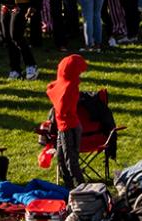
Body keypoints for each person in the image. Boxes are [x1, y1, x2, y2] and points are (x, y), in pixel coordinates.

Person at [45, 54, 91, 187]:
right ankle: (68, 186)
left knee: (71, 161)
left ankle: (80, 187)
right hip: (63, 127)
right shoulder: (66, 84)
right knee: (61, 159)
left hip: (69, 127)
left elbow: (63, 108)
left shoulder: (70, 87)